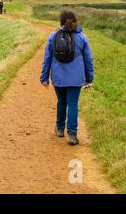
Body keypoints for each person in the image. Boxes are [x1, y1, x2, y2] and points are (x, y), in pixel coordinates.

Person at [40, 10, 94, 146]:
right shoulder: (82, 37)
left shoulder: (53, 36)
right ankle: (72, 134)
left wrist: (44, 77)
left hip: (58, 77)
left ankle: (59, 129)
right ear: (75, 21)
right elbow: (89, 60)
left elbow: (47, 58)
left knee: (61, 101)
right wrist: (89, 78)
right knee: (73, 104)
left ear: (61, 22)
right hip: (76, 78)